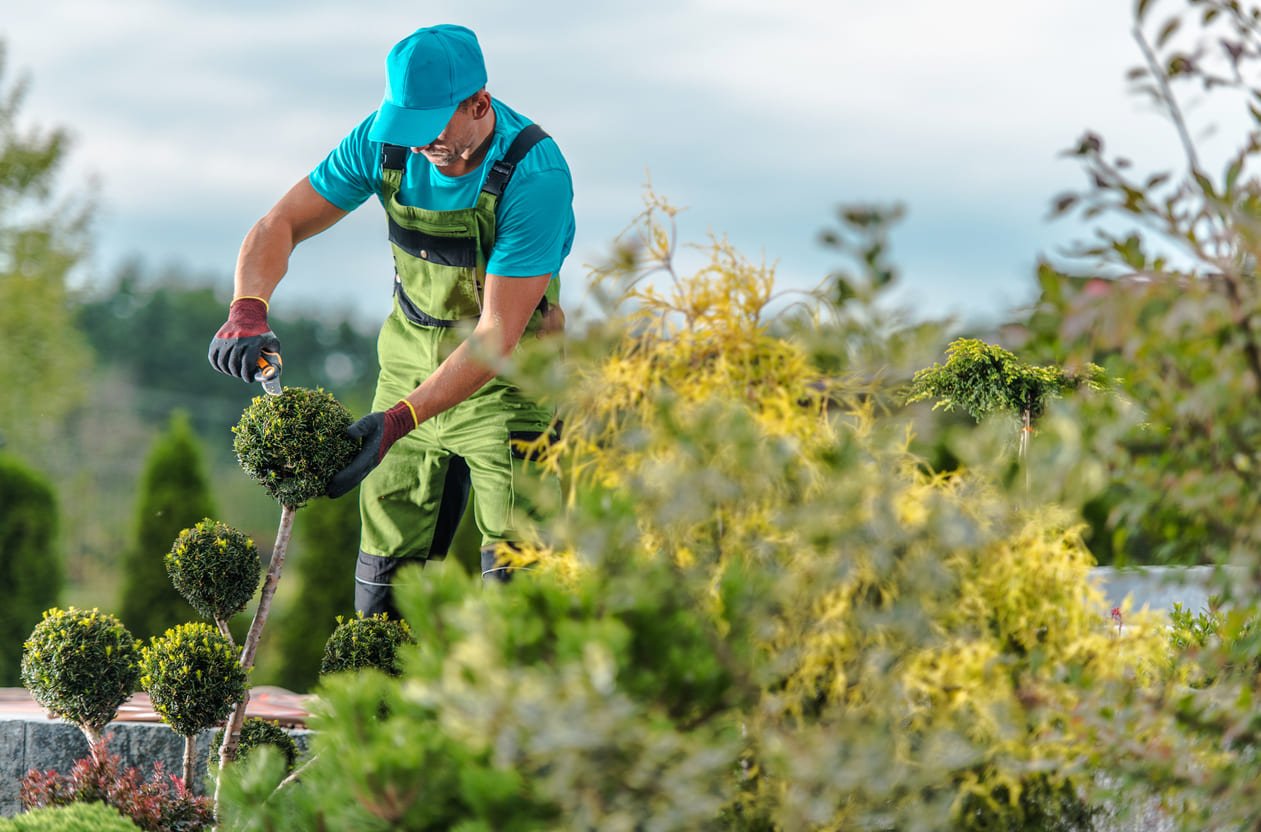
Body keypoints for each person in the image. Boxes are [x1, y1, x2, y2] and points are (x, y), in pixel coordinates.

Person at [207, 24, 574, 616]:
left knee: (521, 587)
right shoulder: (383, 142)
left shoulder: (535, 176)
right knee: (384, 584)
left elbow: (495, 336)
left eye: (430, 124)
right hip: (405, 364)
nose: (416, 142)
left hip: (510, 383)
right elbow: (282, 222)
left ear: (479, 104)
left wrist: (397, 420)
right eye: (405, 122)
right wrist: (248, 307)